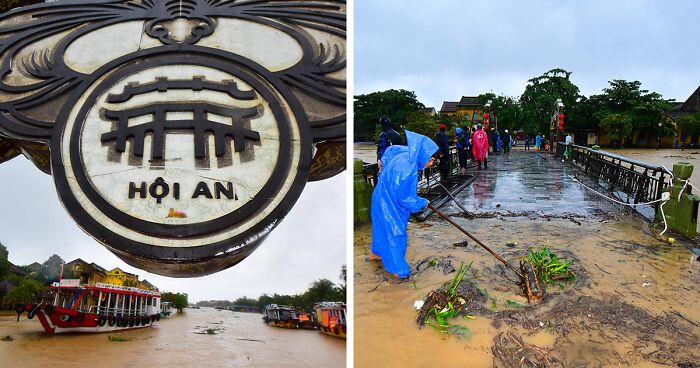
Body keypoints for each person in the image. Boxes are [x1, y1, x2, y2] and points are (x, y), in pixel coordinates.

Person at [370, 131, 439, 278]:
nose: (431, 164)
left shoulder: (405, 154)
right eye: (432, 160)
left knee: (380, 229)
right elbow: (405, 198)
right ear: (424, 155)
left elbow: (389, 151)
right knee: (396, 234)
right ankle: (399, 272)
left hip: (379, 196)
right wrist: (422, 202)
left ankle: (375, 255)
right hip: (389, 204)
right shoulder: (407, 169)